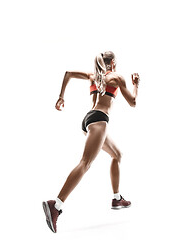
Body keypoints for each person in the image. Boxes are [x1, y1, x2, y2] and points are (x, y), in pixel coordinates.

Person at [43, 51, 140, 233]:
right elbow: (133, 102)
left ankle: (117, 198)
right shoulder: (116, 77)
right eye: (116, 63)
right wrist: (136, 85)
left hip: (89, 119)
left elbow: (68, 74)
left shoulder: (93, 75)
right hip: (100, 120)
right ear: (111, 63)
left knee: (117, 154)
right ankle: (55, 205)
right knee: (85, 163)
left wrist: (61, 96)